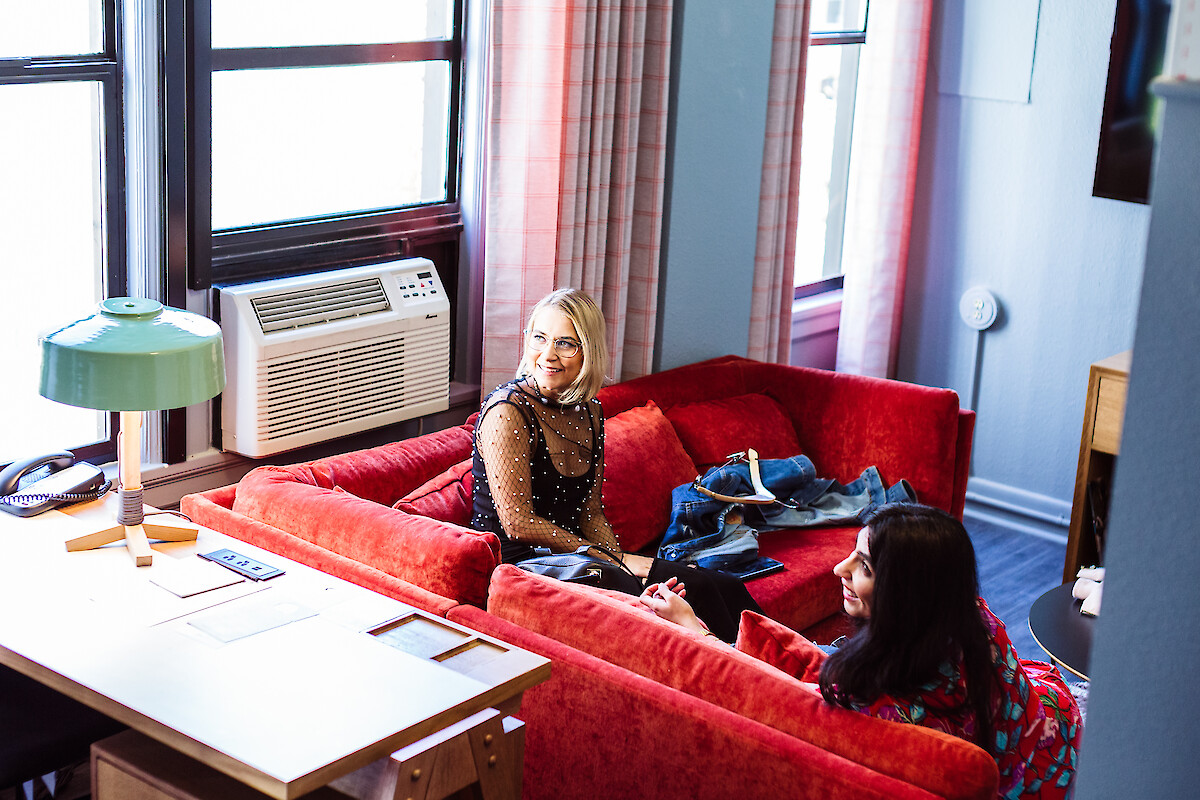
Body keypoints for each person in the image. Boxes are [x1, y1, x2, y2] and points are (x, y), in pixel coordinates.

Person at [640, 503, 1082, 799]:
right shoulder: (970, 617)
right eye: (852, 554)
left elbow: (763, 697)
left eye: (864, 566)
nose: (839, 568)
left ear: (905, 595)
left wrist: (688, 626)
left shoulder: (871, 704)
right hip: (1056, 729)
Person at [470, 287, 760, 641]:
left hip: (582, 558)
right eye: (540, 338)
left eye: (565, 343)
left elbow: (590, 512)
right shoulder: (508, 411)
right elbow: (518, 523)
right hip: (523, 565)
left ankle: (794, 670)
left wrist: (617, 557)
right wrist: (605, 558)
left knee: (718, 586)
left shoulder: (590, 412)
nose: (547, 355)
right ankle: (739, 681)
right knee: (674, 596)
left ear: (587, 351)